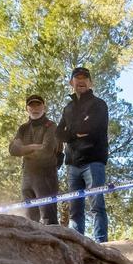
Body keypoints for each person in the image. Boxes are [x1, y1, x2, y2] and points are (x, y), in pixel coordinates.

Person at [56, 66, 110, 243]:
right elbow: (58, 133)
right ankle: (76, 244)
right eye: (77, 78)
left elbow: (93, 128)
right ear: (71, 83)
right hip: (72, 163)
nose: (81, 81)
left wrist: (71, 132)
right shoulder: (68, 108)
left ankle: (101, 243)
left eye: (85, 78)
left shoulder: (99, 104)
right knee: (75, 209)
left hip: (94, 161)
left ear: (90, 82)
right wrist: (75, 133)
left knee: (97, 204)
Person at [8, 94, 62, 225]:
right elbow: (12, 150)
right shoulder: (23, 128)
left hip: (46, 175)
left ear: (44, 107)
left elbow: (47, 151)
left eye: (38, 105)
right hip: (27, 176)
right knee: (30, 220)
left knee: (49, 219)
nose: (35, 108)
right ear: (27, 108)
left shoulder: (51, 126)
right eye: (31, 105)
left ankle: (53, 244)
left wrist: (24, 150)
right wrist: (33, 146)